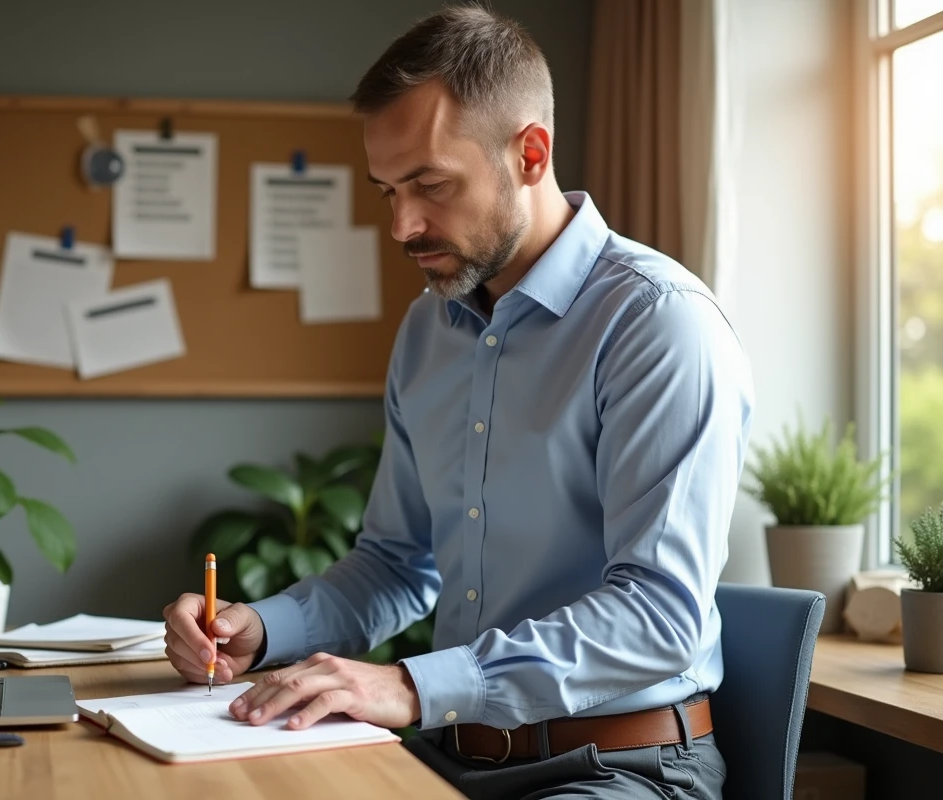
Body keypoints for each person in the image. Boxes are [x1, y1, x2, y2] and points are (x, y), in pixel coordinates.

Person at [163, 6, 753, 799]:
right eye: (388, 191)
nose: (404, 225)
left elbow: (657, 617)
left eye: (431, 185)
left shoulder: (658, 323)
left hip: (618, 767)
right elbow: (394, 564)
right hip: (455, 758)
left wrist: (409, 687)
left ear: (530, 154)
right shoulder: (428, 329)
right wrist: (265, 629)